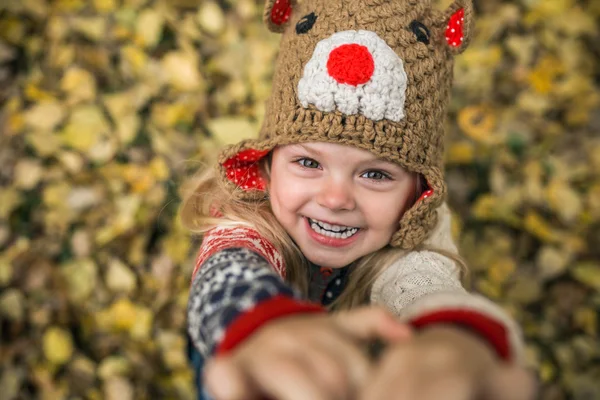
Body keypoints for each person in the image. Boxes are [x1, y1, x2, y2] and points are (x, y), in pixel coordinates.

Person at [180, 0, 536, 399]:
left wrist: (453, 337)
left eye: (375, 174)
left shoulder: (414, 233)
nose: (335, 199)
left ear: (419, 192)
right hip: (248, 352)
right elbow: (227, 274)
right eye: (308, 162)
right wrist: (262, 324)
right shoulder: (248, 215)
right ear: (268, 163)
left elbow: (427, 285)